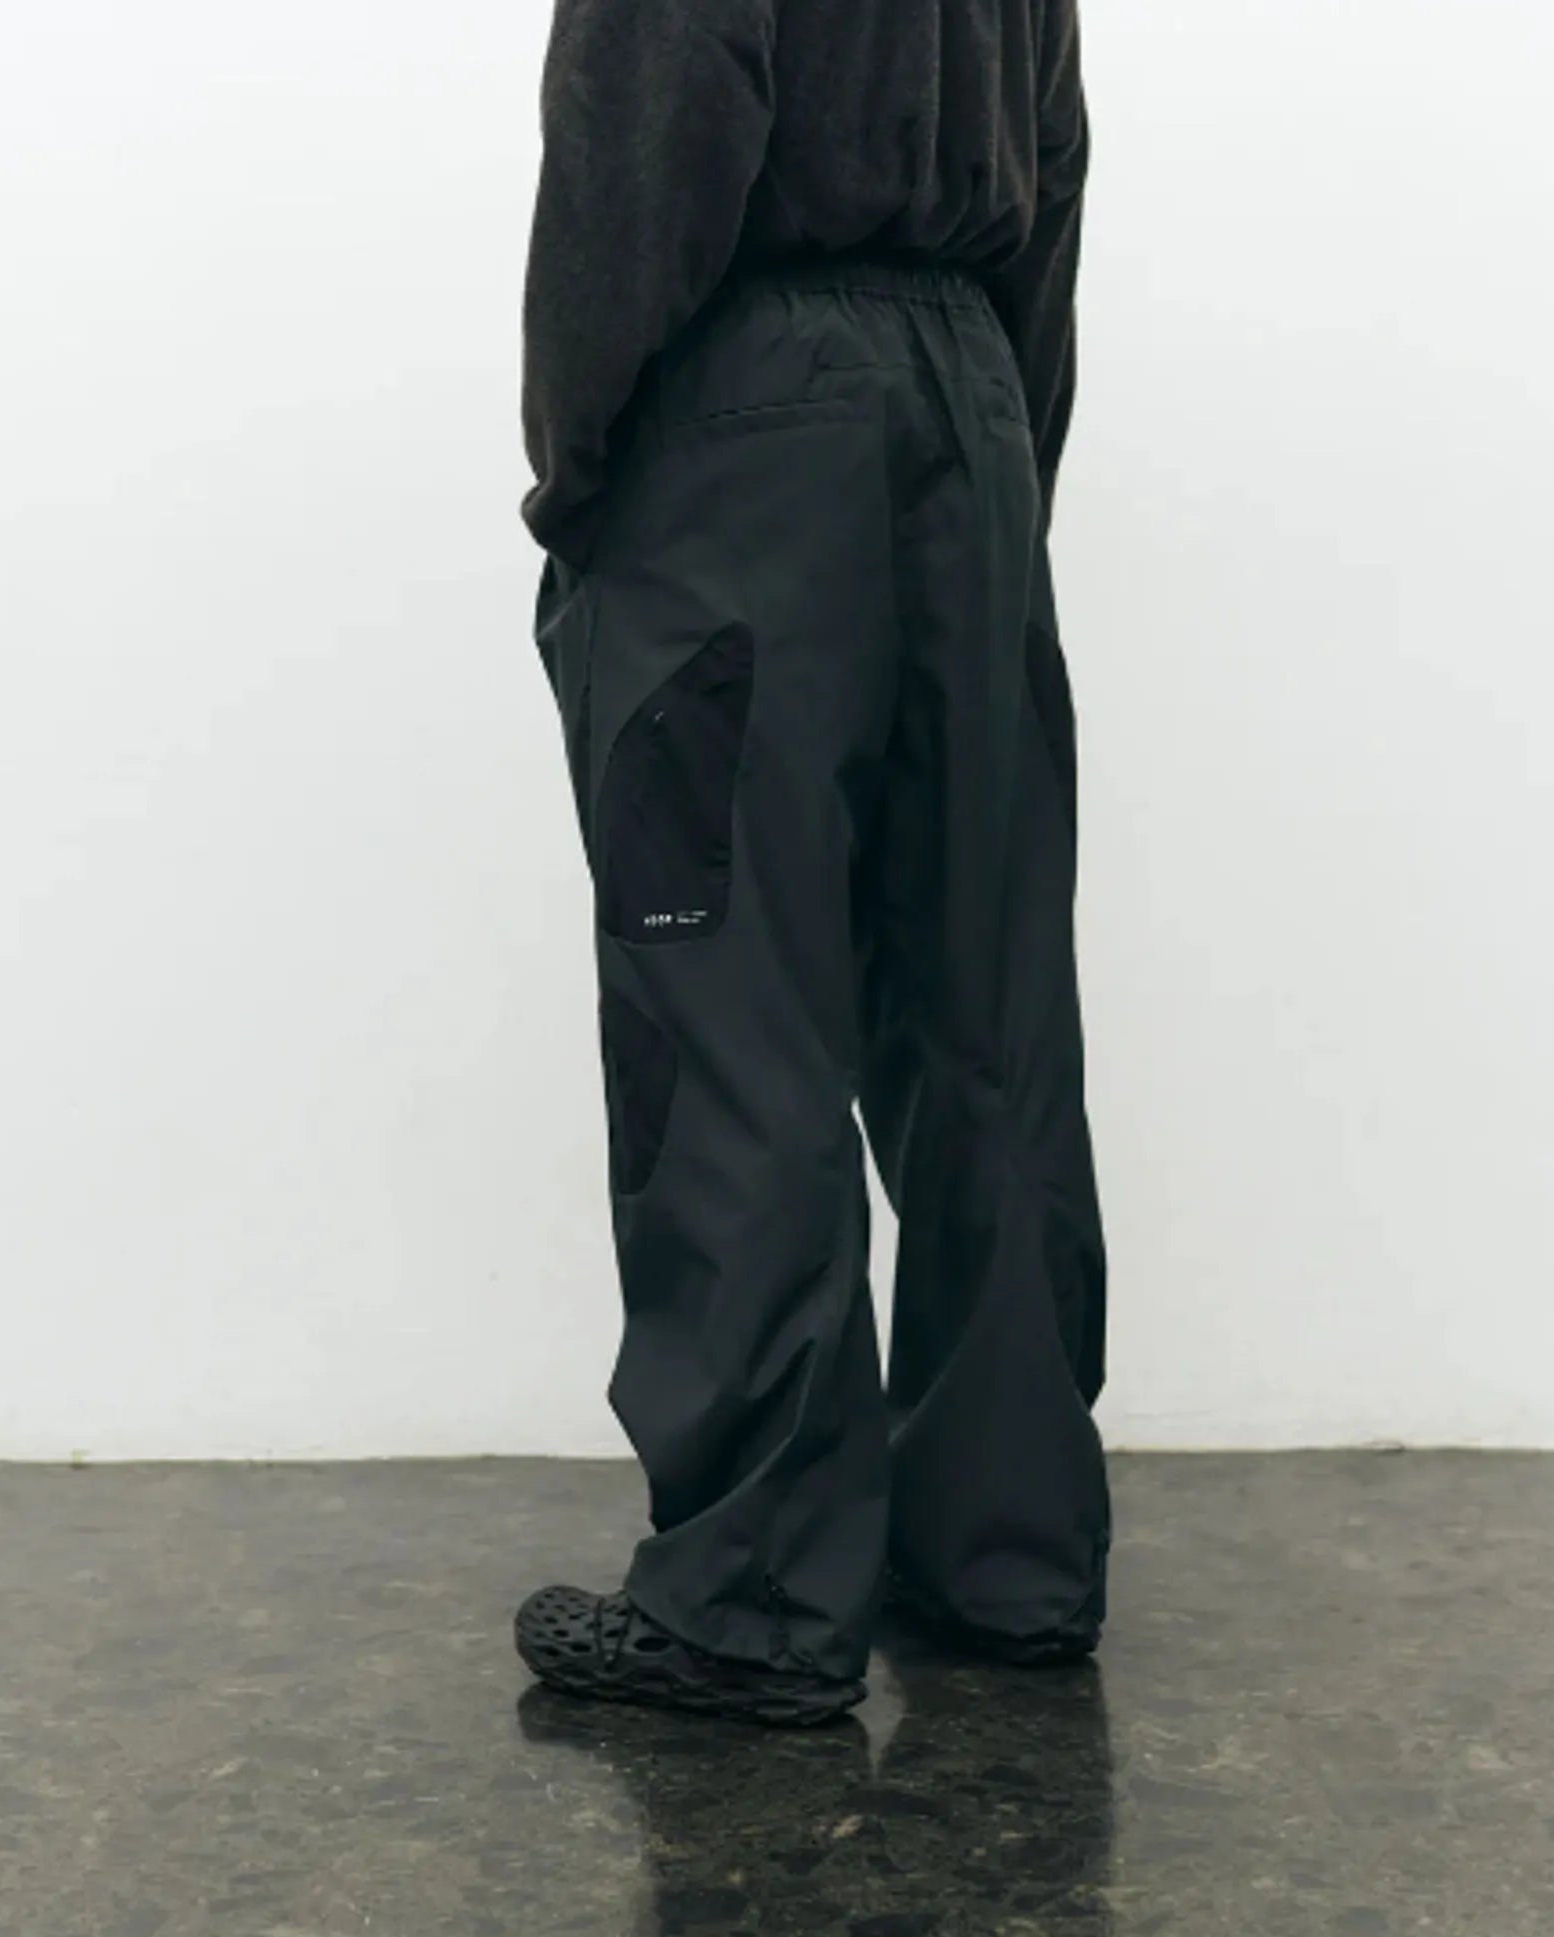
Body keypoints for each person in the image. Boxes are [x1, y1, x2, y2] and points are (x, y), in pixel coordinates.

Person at [514, 0, 1109, 1726]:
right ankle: (1007, 1555)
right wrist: (996, 447)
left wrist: (580, 465)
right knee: (985, 1007)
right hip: (971, 407)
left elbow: (648, 116)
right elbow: (1055, 155)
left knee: (730, 1015)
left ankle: (755, 1595)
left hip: (746, 408)